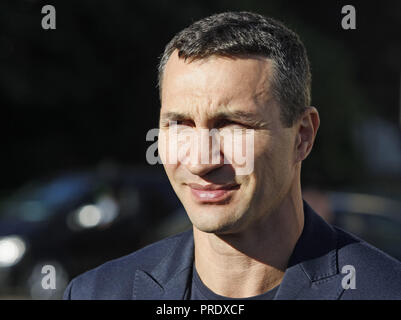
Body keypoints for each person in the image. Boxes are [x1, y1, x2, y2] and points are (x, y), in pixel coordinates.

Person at [63, 11, 401, 300]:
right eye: (180, 124)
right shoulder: (96, 292)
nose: (200, 161)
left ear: (302, 136)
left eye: (231, 124)